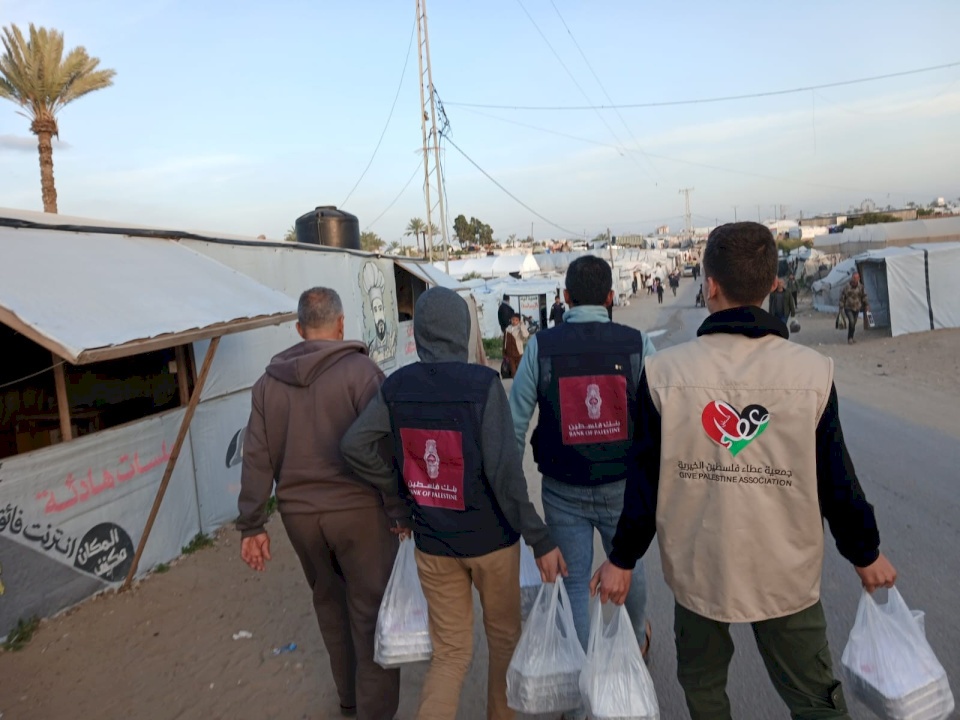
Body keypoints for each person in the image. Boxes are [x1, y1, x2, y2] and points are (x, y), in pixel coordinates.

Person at [592, 222, 897, 720]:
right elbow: (836, 480)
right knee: (813, 697)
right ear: (774, 282)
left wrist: (621, 559)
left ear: (709, 283)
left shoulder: (665, 373)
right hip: (784, 573)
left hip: (698, 571)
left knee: (704, 690)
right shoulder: (810, 372)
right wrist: (866, 555)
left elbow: (644, 483)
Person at [341, 287, 566, 720]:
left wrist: (400, 493)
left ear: (421, 333)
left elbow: (354, 445)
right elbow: (505, 475)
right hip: (493, 544)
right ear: (462, 330)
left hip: (433, 544)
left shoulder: (398, 385)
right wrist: (540, 539)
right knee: (503, 642)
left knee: (449, 655)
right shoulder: (482, 385)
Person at [237, 287, 403, 720]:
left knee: (330, 605)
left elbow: (256, 456)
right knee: (371, 611)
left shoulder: (267, 384)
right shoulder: (362, 373)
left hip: (299, 518)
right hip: (360, 514)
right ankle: (375, 712)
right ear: (342, 324)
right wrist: (399, 508)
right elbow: (386, 447)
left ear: (299, 329)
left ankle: (347, 700)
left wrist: (252, 525)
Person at [509, 256, 657, 718]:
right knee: (625, 564)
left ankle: (578, 693)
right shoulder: (637, 345)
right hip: (623, 487)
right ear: (611, 297)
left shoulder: (541, 346)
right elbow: (660, 419)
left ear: (566, 298)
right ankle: (631, 643)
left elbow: (514, 425)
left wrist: (512, 496)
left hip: (562, 489)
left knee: (573, 585)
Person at [839, 272, 869, 345]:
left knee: (853, 323)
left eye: (857, 278)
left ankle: (851, 337)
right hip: (848, 307)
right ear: (852, 278)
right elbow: (842, 297)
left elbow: (864, 296)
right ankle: (850, 338)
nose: (855, 279)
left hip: (857, 307)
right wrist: (841, 307)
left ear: (859, 278)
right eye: (854, 278)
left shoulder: (861, 287)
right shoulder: (847, 286)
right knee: (851, 321)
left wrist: (867, 305)